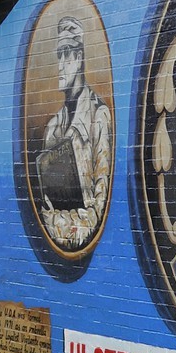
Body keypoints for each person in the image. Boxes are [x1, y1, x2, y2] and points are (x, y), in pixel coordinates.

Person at [37, 16, 113, 250]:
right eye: (58, 55)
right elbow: (46, 208)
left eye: (67, 53)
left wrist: (59, 220)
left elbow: (98, 211)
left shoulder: (98, 117)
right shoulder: (52, 128)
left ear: (79, 57)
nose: (61, 63)